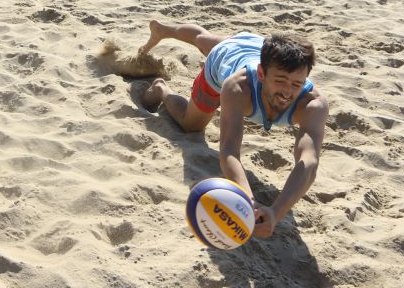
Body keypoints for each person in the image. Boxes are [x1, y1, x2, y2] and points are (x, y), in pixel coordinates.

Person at [136, 23, 327, 240]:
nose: (287, 91)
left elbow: (309, 162)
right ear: (262, 74)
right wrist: (247, 199)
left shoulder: (313, 105)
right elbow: (228, 150)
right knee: (191, 125)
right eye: (280, 81)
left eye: (296, 84)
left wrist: (276, 212)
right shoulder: (237, 87)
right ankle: (162, 85)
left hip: (254, 47)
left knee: (205, 40)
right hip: (224, 58)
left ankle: (166, 32)